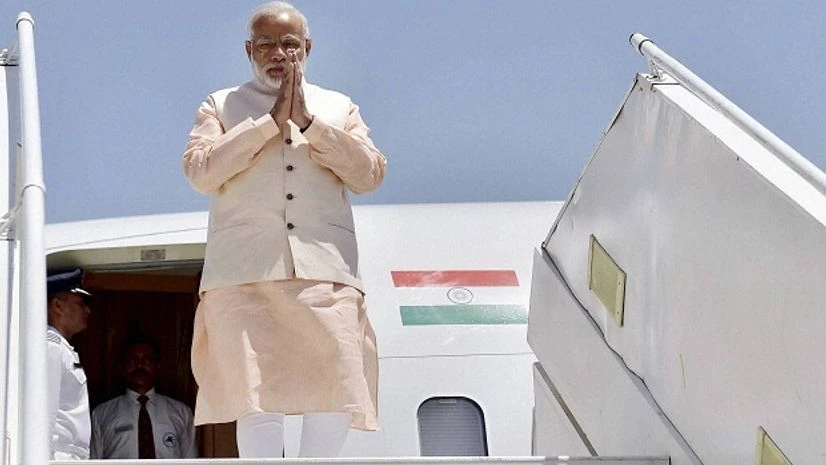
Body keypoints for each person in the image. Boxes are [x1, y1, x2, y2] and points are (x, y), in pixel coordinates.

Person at [182, 1, 386, 458]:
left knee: (336, 391)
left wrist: (310, 124)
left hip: (325, 273)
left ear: (307, 47)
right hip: (244, 274)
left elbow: (369, 174)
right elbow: (200, 172)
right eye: (267, 44)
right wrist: (266, 125)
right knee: (255, 401)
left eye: (289, 44)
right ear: (249, 50)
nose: (279, 53)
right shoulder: (221, 104)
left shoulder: (338, 106)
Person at [90, 340, 197, 459]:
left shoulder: (181, 412)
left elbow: (190, 459)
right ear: (122, 366)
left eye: (147, 360)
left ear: (158, 366)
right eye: (132, 360)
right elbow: (94, 460)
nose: (139, 365)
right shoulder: (101, 414)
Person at [46, 269, 92, 460]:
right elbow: (43, 419)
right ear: (58, 306)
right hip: (59, 458)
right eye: (81, 304)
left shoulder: (62, 348)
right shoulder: (50, 347)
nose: (88, 310)